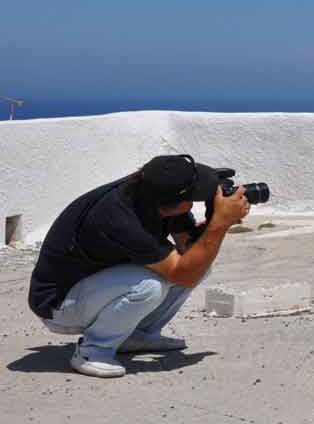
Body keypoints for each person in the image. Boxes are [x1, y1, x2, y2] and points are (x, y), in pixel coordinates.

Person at [27, 154, 251, 377]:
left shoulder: (153, 191)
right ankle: (93, 350)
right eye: (195, 195)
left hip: (96, 285)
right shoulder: (119, 218)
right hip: (58, 303)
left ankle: (133, 335)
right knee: (149, 286)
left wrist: (212, 221)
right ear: (177, 202)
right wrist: (219, 225)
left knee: (200, 264)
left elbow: (188, 251)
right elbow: (183, 275)